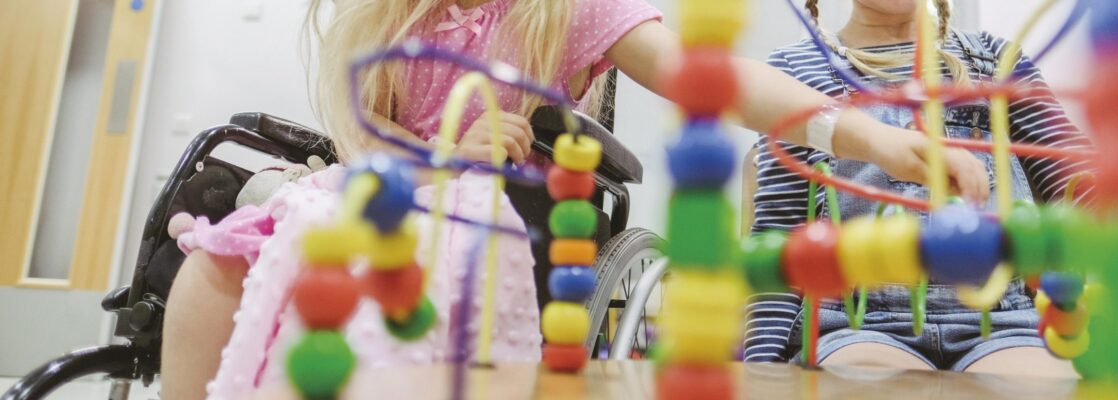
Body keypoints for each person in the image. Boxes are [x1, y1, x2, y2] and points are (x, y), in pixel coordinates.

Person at [160, 0, 993, 398]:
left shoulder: (575, 11)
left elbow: (713, 78)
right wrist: (432, 152)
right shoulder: (388, 14)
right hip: (371, 200)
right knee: (209, 276)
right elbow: (357, 137)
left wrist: (870, 137)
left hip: (481, 231)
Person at [743, 0, 1091, 378]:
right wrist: (763, 369)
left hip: (1003, 322)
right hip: (857, 326)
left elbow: (1075, 180)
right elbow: (781, 238)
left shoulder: (994, 59)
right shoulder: (795, 70)